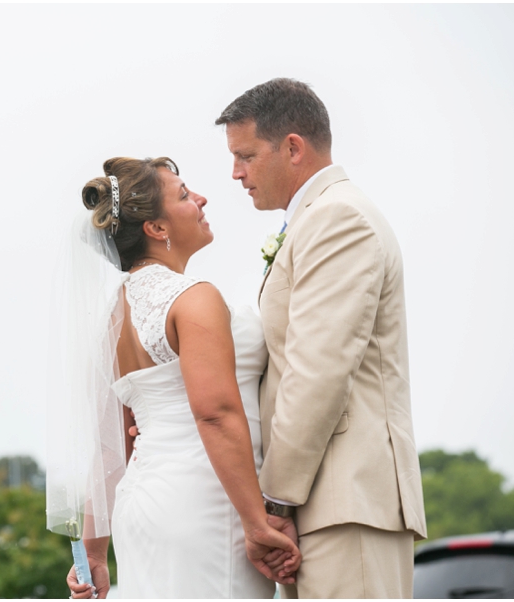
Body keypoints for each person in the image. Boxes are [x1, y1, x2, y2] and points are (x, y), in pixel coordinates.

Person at [216, 78, 427, 598]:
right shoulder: (317, 219)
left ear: (292, 147)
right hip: (326, 501)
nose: (235, 173)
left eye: (245, 155)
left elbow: (318, 373)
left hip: (345, 501)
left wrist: (275, 500)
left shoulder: (338, 219)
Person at [54, 157, 300, 599]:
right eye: (185, 195)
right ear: (156, 229)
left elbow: (113, 443)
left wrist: (93, 552)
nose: (201, 199)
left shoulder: (113, 316)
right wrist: (256, 523)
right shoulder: (194, 299)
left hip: (143, 504)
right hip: (207, 502)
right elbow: (216, 415)